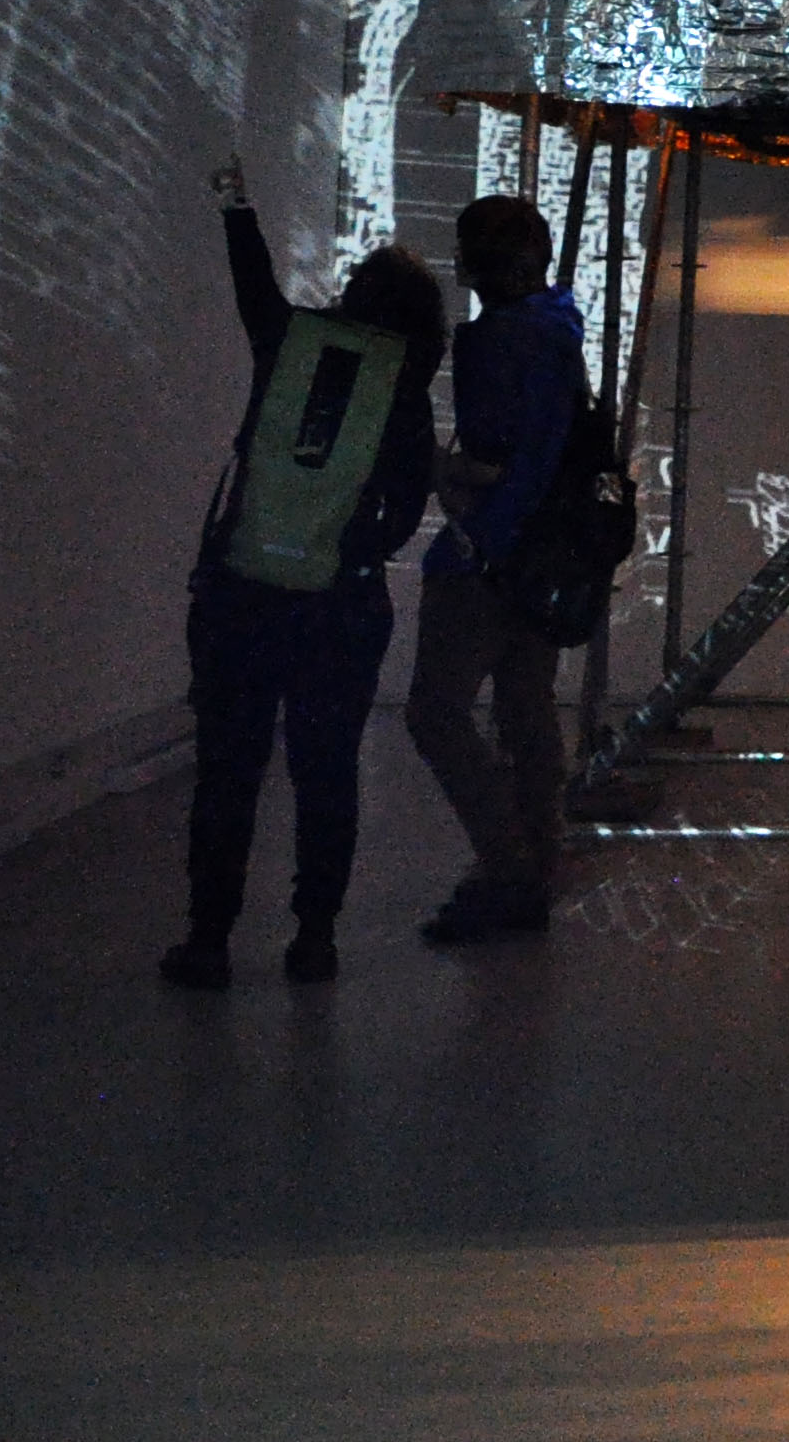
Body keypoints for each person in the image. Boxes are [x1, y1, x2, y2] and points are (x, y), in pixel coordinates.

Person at [160, 166, 447, 988]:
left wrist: (237, 205)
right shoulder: (404, 388)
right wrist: (347, 546)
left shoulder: (289, 342)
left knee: (229, 770)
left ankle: (208, 941)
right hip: (340, 609)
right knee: (327, 774)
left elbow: (253, 286)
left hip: (242, 594)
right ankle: (314, 939)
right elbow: (404, 507)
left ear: (352, 296)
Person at [404, 191, 584, 948]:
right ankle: (534, 864)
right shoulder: (558, 330)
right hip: (544, 556)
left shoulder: (499, 341)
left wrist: (478, 531)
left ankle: (510, 871)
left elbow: (509, 460)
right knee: (525, 707)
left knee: (436, 713)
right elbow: (541, 453)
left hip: (489, 555)